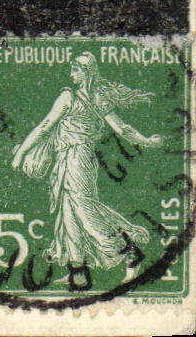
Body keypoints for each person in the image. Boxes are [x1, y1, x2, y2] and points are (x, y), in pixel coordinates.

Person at [11, 52, 164, 273]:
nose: (71, 74)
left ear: (87, 73)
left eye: (75, 70)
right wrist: (146, 141)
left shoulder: (69, 97)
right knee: (68, 211)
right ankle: (77, 270)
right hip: (74, 158)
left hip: (76, 158)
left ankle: (123, 246)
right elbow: (122, 129)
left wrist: (20, 154)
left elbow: (45, 127)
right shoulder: (98, 99)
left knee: (83, 207)